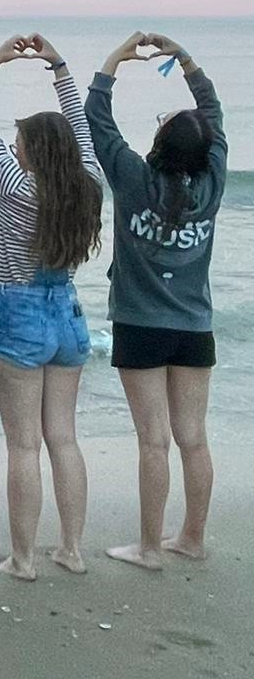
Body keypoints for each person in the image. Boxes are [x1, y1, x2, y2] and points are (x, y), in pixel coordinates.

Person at [86, 32, 225, 570]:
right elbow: (212, 113)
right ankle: (190, 537)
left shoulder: (134, 178)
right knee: (193, 438)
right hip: (194, 326)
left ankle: (149, 548)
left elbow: (98, 120)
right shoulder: (211, 186)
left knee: (153, 442)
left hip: (140, 325)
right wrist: (185, 60)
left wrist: (115, 58)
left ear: (161, 147)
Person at [0, 33, 102, 580]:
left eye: (22, 141)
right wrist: (58, 67)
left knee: (23, 445)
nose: (16, 147)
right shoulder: (89, 184)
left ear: (32, 151)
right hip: (69, 314)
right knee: (64, 438)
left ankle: (23, 559)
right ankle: (71, 549)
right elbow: (82, 130)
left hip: (19, 313)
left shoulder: (17, 186)